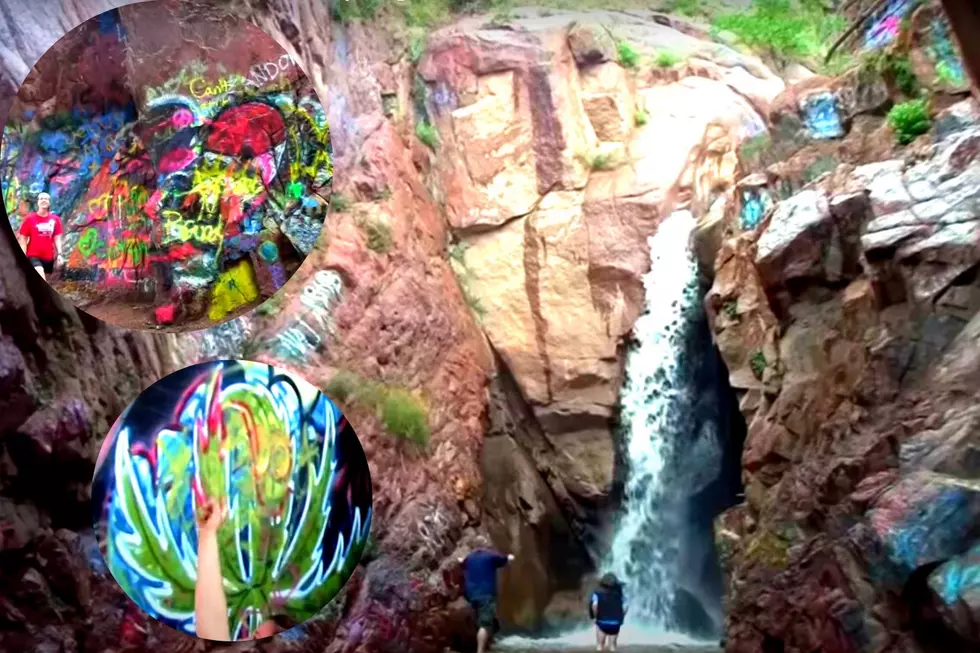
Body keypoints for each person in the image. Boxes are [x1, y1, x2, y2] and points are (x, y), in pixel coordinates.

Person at [457, 539, 514, 653]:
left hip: (471, 594)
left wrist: (461, 560)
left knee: (483, 620)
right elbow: (504, 559)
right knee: (485, 624)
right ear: (484, 546)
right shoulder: (490, 557)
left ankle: (486, 644)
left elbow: (462, 562)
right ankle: (480, 650)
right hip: (486, 594)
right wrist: (510, 557)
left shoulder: (470, 558)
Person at [16, 192, 64, 281]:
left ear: (49, 202)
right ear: (38, 202)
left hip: (49, 257)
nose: (44, 200)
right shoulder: (29, 219)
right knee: (41, 280)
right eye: (41, 198)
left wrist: (60, 254)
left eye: (46, 199)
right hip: (33, 255)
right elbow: (23, 239)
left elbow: (57, 238)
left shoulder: (55, 219)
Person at [590, 573, 628, 652]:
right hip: (615, 622)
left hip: (602, 622)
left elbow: (594, 606)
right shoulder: (620, 594)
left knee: (599, 646)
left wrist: (595, 617)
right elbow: (626, 607)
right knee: (612, 647)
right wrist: (622, 617)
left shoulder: (597, 593)